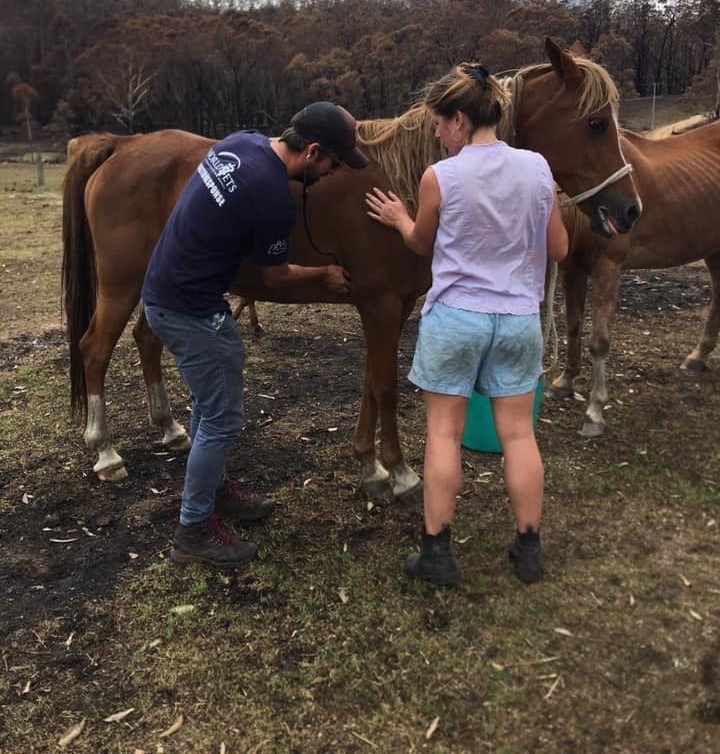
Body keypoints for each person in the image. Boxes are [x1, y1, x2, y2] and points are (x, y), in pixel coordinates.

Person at [365, 63, 568, 588]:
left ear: (458, 119)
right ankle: (528, 547)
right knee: (519, 435)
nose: (435, 132)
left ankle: (436, 554)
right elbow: (560, 249)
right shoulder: (538, 169)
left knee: (443, 433)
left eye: (438, 122)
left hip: (457, 319)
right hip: (518, 320)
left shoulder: (441, 176)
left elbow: (421, 243)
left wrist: (398, 218)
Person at [142, 102, 369, 568]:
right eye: (331, 163)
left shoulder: (240, 142)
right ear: (311, 151)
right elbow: (274, 277)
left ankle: (212, 490)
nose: (331, 173)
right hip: (192, 311)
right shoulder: (272, 195)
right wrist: (322, 275)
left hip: (164, 293)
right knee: (223, 417)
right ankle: (192, 531)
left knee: (210, 405)